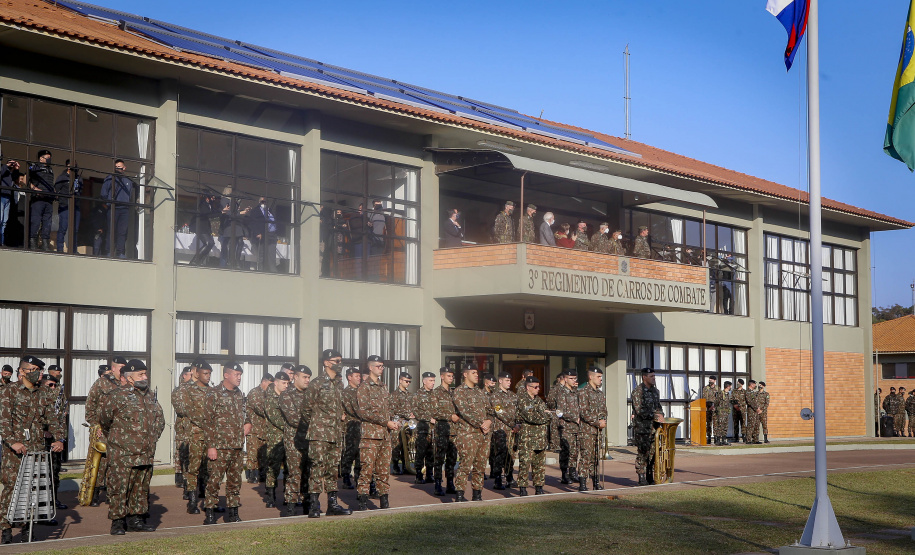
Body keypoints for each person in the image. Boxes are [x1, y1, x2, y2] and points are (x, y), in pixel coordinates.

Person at [0, 356, 64, 544]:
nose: (40, 373)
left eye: (41, 370)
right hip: (15, 453)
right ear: (22, 371)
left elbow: (53, 419)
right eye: (35, 369)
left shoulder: (44, 393)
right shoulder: (9, 392)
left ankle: (29, 528)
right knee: (12, 491)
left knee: (32, 491)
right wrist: (13, 442)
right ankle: (6, 530)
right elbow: (3, 422)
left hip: (37, 451)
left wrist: (59, 438)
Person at [99, 359, 164, 535]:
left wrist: (151, 438)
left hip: (145, 452)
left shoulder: (150, 396)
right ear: (129, 378)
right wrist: (118, 440)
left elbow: (160, 419)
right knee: (119, 488)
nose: (145, 377)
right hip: (122, 453)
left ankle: (137, 519)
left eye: (145, 373)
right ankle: (118, 521)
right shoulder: (117, 395)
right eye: (140, 374)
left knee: (140, 487)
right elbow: (105, 420)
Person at [301, 349, 352, 518]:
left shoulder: (339, 383)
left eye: (340, 360)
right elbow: (306, 409)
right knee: (317, 468)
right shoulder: (316, 383)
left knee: (332, 470)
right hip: (319, 434)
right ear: (326, 363)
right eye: (336, 360)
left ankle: (333, 504)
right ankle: (314, 505)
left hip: (336, 434)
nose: (339, 363)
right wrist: (318, 423)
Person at [200, 362, 249, 525]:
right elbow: (207, 421)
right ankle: (210, 514)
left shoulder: (239, 394)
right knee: (214, 481)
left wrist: (247, 423)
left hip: (236, 446)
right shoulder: (214, 394)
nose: (239, 378)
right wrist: (211, 446)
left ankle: (233, 513)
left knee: (235, 482)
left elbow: (244, 413)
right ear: (226, 375)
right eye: (236, 374)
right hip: (219, 446)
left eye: (240, 375)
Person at [355, 355, 398, 510]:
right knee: (367, 469)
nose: (381, 369)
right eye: (378, 366)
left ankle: (384, 499)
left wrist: (392, 421)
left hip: (385, 435)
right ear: (370, 367)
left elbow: (387, 409)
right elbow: (364, 412)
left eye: (382, 366)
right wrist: (385, 422)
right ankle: (362, 500)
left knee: (383, 470)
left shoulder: (383, 387)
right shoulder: (364, 387)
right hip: (370, 436)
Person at [84, 358, 124, 507]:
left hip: (119, 430)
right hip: (102, 430)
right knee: (100, 463)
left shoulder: (127, 384)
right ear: (113, 368)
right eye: (120, 367)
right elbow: (90, 406)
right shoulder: (101, 383)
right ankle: (94, 492)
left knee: (115, 463)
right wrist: (95, 425)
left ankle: (110, 492)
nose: (123, 371)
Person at [174, 360, 211, 514]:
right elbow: (183, 410)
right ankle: (192, 499)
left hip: (208, 435)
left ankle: (207, 499)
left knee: (208, 468)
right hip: (192, 433)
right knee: (192, 467)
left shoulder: (210, 390)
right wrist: (204, 419)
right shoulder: (183, 390)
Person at [451, 363, 492, 502]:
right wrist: (481, 423)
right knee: (465, 465)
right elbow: (464, 412)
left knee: (480, 466)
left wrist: (488, 422)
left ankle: (477, 493)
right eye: (473, 372)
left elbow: (490, 411)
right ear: (465, 374)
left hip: (483, 434)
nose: (476, 375)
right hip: (468, 434)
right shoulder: (459, 391)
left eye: (477, 372)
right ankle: (460, 494)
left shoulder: (480, 392)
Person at [280, 365, 311, 516]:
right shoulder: (287, 395)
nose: (307, 380)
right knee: (294, 473)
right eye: (305, 377)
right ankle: (291, 506)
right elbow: (293, 419)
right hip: (294, 440)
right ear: (296, 377)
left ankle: (307, 504)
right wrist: (315, 423)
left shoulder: (310, 395)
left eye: (309, 378)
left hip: (310, 440)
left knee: (308, 473)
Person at [516, 376, 550, 496]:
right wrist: (545, 416)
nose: (538, 389)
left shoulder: (539, 401)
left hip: (540, 438)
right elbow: (530, 417)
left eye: (538, 387)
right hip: (528, 438)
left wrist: (545, 416)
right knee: (525, 464)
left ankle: (539, 487)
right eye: (535, 387)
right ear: (527, 387)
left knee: (539, 465)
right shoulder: (522, 400)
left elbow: (548, 414)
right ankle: (523, 488)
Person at [630, 367, 664, 486]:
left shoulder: (656, 391)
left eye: (654, 376)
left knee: (653, 453)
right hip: (642, 428)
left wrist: (661, 415)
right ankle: (641, 476)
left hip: (654, 428)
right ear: (644, 377)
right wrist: (655, 415)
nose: (654, 378)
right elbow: (639, 410)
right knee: (643, 453)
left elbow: (659, 407)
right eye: (651, 376)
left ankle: (650, 474)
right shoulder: (638, 391)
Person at [578, 367, 608, 491]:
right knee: (586, 456)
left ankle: (596, 483)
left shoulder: (600, 393)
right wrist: (597, 422)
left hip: (597, 431)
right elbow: (584, 413)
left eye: (601, 377)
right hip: (587, 430)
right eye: (598, 377)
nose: (601, 379)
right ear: (591, 377)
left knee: (596, 457)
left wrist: (603, 419)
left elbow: (604, 410)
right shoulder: (583, 392)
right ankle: (583, 483)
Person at [263, 371, 289, 509]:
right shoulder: (270, 398)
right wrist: (292, 425)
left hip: (288, 438)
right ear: (276, 383)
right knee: (273, 468)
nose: (286, 386)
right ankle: (271, 496)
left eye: (287, 383)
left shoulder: (288, 397)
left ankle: (288, 495)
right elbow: (276, 418)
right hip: (275, 438)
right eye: (283, 383)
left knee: (289, 468)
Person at [430, 367, 458, 496]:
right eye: (448, 376)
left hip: (454, 430)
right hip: (442, 430)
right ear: (442, 377)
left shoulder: (454, 393)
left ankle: (450, 483)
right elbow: (434, 412)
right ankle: (437, 484)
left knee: (452, 459)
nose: (451, 378)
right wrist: (449, 416)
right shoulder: (436, 393)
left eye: (452, 376)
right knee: (439, 458)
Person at [99, 159, 135, 259]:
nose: (118, 169)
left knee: (122, 232)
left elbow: (131, 196)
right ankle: (109, 251)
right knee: (111, 230)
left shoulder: (128, 181)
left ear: (124, 168)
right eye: (117, 167)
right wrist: (108, 204)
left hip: (124, 209)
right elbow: (103, 194)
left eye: (120, 167)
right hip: (113, 208)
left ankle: (121, 253)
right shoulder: (110, 179)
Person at [43, 372, 68, 509]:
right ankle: (43, 504)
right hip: (42, 442)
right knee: (43, 475)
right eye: (50, 385)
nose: (53, 388)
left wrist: (61, 438)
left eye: (54, 385)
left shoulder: (58, 400)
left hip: (56, 441)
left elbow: (61, 421)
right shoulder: (38, 398)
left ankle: (53, 500)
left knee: (55, 472)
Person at [489, 371, 517, 491]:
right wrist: (512, 424)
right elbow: (499, 412)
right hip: (500, 429)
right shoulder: (495, 395)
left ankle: (509, 477)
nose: (509, 382)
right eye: (507, 380)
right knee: (499, 454)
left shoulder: (513, 395)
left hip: (512, 430)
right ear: (500, 381)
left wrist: (517, 424)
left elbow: (517, 412)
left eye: (510, 380)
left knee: (511, 454)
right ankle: (498, 479)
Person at [245, 374, 273, 484]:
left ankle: (262, 474)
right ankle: (252, 475)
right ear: (264, 382)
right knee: (253, 453)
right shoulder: (255, 393)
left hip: (264, 429)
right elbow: (260, 409)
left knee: (263, 454)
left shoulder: (269, 394)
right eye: (270, 384)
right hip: (254, 429)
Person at [556, 369, 581, 486]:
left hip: (576, 427)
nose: (573, 381)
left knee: (575, 451)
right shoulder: (561, 393)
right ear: (565, 379)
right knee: (566, 451)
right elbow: (560, 412)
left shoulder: (576, 392)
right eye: (571, 378)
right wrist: (574, 418)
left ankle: (572, 472)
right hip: (566, 427)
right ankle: (564, 474)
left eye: (575, 378)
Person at [411, 371, 437, 485]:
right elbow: (416, 412)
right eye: (430, 381)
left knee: (431, 452)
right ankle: (419, 474)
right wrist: (429, 418)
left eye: (434, 381)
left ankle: (430, 474)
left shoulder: (434, 395)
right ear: (424, 381)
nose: (433, 383)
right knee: (421, 452)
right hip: (422, 428)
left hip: (433, 429)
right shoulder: (417, 395)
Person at [28, 150, 55, 251]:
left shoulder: (50, 169)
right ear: (41, 158)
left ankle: (45, 244)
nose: (49, 159)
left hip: (49, 200)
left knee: (47, 222)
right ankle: (32, 243)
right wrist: (34, 188)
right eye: (47, 157)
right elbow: (27, 179)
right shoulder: (35, 167)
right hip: (38, 199)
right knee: (35, 221)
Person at [340, 368, 363, 490]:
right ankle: (346, 476)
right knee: (350, 453)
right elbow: (351, 409)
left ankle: (359, 478)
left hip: (361, 427)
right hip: (351, 427)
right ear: (349, 377)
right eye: (356, 376)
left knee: (360, 453)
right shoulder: (346, 393)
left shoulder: (361, 391)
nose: (359, 378)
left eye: (359, 376)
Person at [53, 160, 83, 253]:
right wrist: (61, 200)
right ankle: (60, 249)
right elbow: (56, 190)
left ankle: (74, 249)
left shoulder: (79, 178)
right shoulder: (62, 177)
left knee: (75, 229)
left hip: (76, 207)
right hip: (65, 206)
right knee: (63, 228)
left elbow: (80, 191)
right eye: (73, 165)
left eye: (76, 165)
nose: (75, 167)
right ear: (68, 166)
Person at [172, 366, 193, 491]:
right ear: (184, 376)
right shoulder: (178, 390)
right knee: (181, 452)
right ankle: (179, 477)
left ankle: (187, 480)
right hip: (182, 427)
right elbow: (180, 409)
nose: (192, 378)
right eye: (190, 375)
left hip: (192, 426)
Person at [390, 371, 414, 476]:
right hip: (398, 423)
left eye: (409, 382)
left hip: (408, 424)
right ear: (400, 380)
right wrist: (406, 414)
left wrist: (412, 415)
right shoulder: (394, 395)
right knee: (397, 445)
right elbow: (392, 410)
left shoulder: (410, 395)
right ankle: (395, 466)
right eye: (406, 381)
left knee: (407, 445)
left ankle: (406, 466)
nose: (408, 383)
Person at [248, 197, 278, 272]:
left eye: (265, 202)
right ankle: (261, 271)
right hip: (262, 235)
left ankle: (272, 271)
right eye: (262, 202)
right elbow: (252, 223)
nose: (264, 203)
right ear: (259, 202)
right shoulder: (255, 211)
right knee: (261, 255)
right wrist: (257, 233)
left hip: (272, 235)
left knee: (272, 255)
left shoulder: (270, 211)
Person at [188, 193, 218, 266]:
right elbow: (207, 213)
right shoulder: (202, 204)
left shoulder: (210, 205)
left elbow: (213, 213)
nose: (213, 200)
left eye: (214, 198)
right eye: (212, 198)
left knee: (210, 243)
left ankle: (199, 261)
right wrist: (221, 212)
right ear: (207, 198)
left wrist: (221, 211)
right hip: (200, 226)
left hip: (205, 227)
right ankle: (195, 261)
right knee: (208, 243)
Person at [0, 154, 21, 246]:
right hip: (1, 196)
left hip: (8, 197)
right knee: (0, 219)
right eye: (10, 163)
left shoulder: (10, 173)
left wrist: (16, 168)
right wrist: (6, 166)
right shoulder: (2, 168)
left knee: (4, 221)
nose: (12, 164)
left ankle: (2, 241)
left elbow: (16, 178)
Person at [546, 372, 565, 453]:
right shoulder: (556, 388)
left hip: (562, 413)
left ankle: (559, 446)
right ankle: (556, 446)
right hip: (556, 412)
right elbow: (550, 401)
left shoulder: (566, 389)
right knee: (556, 430)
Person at [701, 377, 719, 445]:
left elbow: (719, 398)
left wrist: (714, 405)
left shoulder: (717, 388)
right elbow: (704, 398)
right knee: (708, 423)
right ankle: (708, 437)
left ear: (714, 380)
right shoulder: (706, 388)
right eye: (709, 379)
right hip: (708, 408)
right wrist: (709, 405)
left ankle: (716, 437)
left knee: (716, 424)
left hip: (715, 408)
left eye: (711, 380)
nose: (710, 381)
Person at [716, 381, 733, 446]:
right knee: (720, 426)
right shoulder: (721, 393)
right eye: (730, 386)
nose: (731, 387)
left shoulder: (728, 394)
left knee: (725, 427)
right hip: (721, 412)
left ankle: (723, 440)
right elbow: (716, 402)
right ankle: (718, 440)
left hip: (726, 412)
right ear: (728, 386)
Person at [745, 380, 761, 444]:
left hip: (756, 411)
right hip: (751, 410)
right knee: (751, 425)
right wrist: (756, 408)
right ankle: (748, 440)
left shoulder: (753, 392)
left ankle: (755, 439)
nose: (755, 385)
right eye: (754, 384)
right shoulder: (748, 392)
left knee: (756, 425)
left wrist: (758, 408)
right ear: (751, 384)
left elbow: (755, 401)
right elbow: (750, 402)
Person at [731, 379, 747, 443]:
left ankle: (744, 436)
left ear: (742, 384)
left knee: (743, 423)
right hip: (735, 410)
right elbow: (731, 399)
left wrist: (740, 405)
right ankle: (736, 437)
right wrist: (734, 405)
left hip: (742, 410)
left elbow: (746, 401)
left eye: (739, 383)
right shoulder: (734, 391)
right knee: (736, 424)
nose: (738, 384)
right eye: (737, 382)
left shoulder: (745, 392)